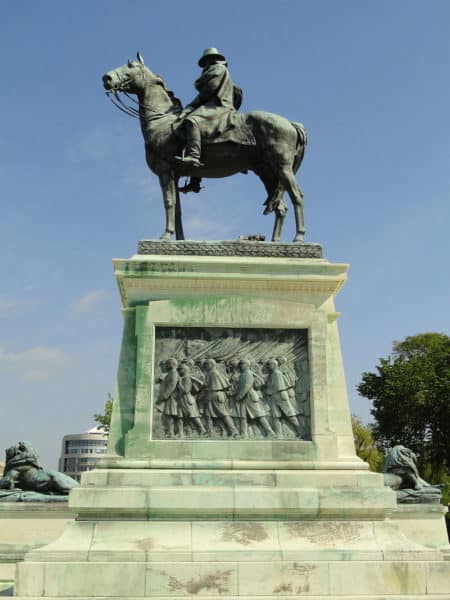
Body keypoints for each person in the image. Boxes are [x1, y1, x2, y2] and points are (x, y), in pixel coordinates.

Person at [175, 48, 240, 170]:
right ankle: (195, 178)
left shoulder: (218, 69)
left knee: (191, 121)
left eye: (206, 61)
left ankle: (194, 156)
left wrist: (190, 107)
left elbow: (209, 90)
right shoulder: (213, 71)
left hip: (218, 106)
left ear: (212, 59)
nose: (205, 65)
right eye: (204, 62)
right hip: (211, 105)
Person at [233, 359, 275, 438]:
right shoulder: (243, 374)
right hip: (244, 399)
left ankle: (270, 432)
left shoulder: (248, 374)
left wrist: (239, 396)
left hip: (249, 397)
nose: (240, 366)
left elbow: (247, 386)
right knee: (243, 417)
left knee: (259, 415)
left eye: (242, 364)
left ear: (247, 365)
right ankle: (244, 434)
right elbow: (241, 386)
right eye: (240, 364)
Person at [263, 358, 303, 439]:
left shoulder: (277, 374)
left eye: (269, 364)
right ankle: (279, 435)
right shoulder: (273, 374)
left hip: (280, 396)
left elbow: (279, 387)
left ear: (274, 365)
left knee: (289, 415)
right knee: (276, 416)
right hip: (275, 397)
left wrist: (268, 390)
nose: (268, 366)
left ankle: (302, 431)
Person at [204, 358, 239, 437]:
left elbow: (222, 386)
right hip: (214, 395)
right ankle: (210, 432)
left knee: (223, 414)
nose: (205, 366)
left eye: (207, 364)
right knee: (208, 414)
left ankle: (234, 431)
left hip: (215, 395)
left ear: (212, 365)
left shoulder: (214, 373)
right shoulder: (211, 373)